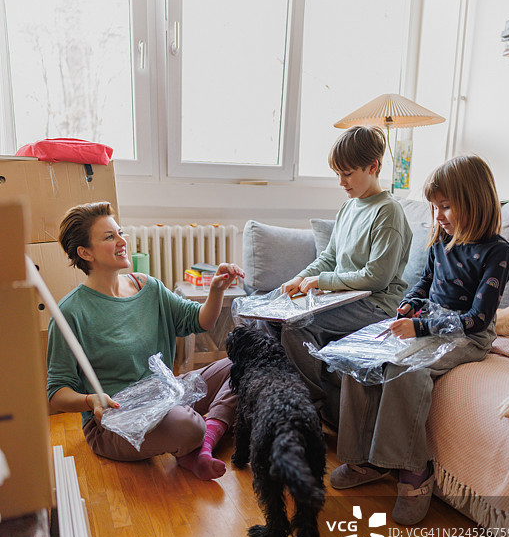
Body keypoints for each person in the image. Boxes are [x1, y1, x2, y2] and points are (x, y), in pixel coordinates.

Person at [329, 154, 509, 525]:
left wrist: (420, 329)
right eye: (435, 207)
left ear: (475, 201)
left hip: (469, 335)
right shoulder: (441, 239)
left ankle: (414, 473)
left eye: (446, 206)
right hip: (429, 323)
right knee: (360, 358)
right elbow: (424, 285)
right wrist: (408, 306)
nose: (439, 216)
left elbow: (477, 319)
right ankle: (363, 459)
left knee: (405, 370)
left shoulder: (498, 252)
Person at [47, 201, 245, 480]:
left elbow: (201, 321)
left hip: (166, 396)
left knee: (243, 365)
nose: (121, 241)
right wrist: (91, 400)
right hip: (116, 423)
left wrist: (216, 290)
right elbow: (57, 392)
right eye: (109, 237)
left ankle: (202, 445)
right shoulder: (69, 313)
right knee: (188, 426)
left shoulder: (147, 286)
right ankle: (202, 432)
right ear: (85, 252)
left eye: (120, 232)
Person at [278, 125, 412, 415]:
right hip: (344, 298)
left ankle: (316, 405)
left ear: (373, 166)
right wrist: (300, 278)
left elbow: (377, 278)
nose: (341, 182)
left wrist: (322, 281)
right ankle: (291, 396)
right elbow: (329, 257)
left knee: (296, 327)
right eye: (337, 173)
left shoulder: (388, 211)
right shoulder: (348, 207)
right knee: (274, 320)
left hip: (377, 304)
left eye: (347, 173)